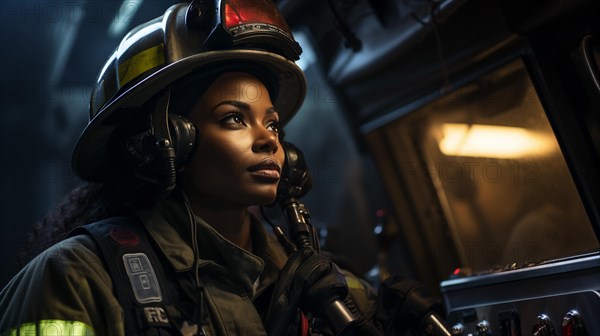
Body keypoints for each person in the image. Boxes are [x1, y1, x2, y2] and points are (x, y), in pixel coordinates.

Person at [0, 1, 382, 335]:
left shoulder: (319, 285)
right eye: (233, 118)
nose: (270, 141)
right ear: (165, 142)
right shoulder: (73, 280)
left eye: (273, 124)